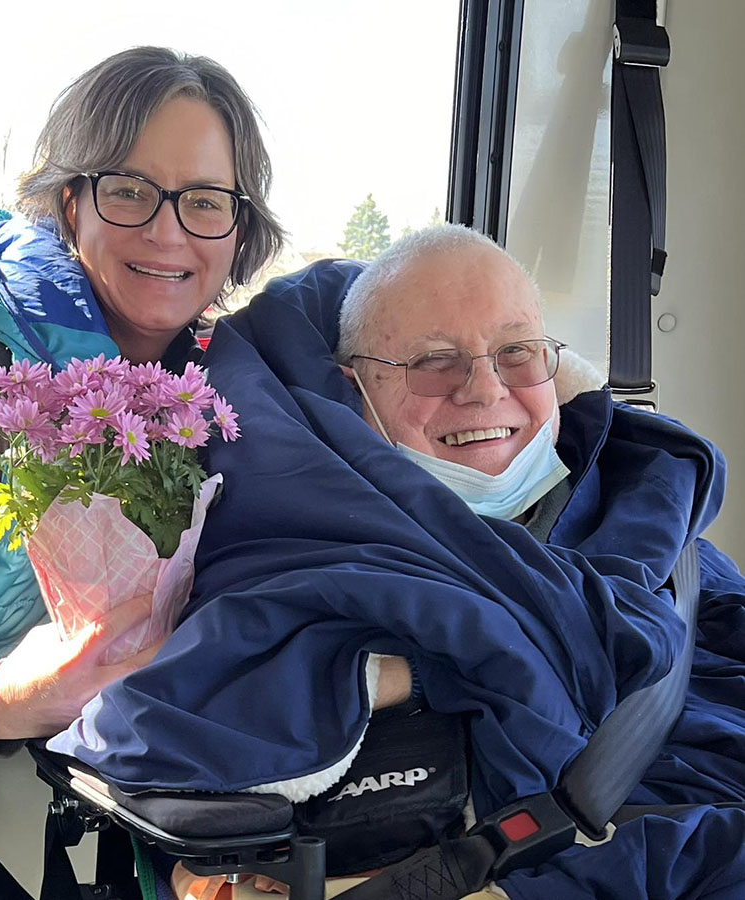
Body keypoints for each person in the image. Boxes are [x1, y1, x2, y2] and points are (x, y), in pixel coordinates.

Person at [50, 225, 745, 900]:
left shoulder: (661, 544)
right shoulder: (280, 556)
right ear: (354, 392)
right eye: (432, 361)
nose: (483, 390)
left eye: (518, 353)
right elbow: (169, 746)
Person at [0, 46, 283, 900]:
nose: (167, 231)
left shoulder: (195, 398)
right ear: (69, 203)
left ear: (239, 232)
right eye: (127, 191)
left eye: (204, 202)